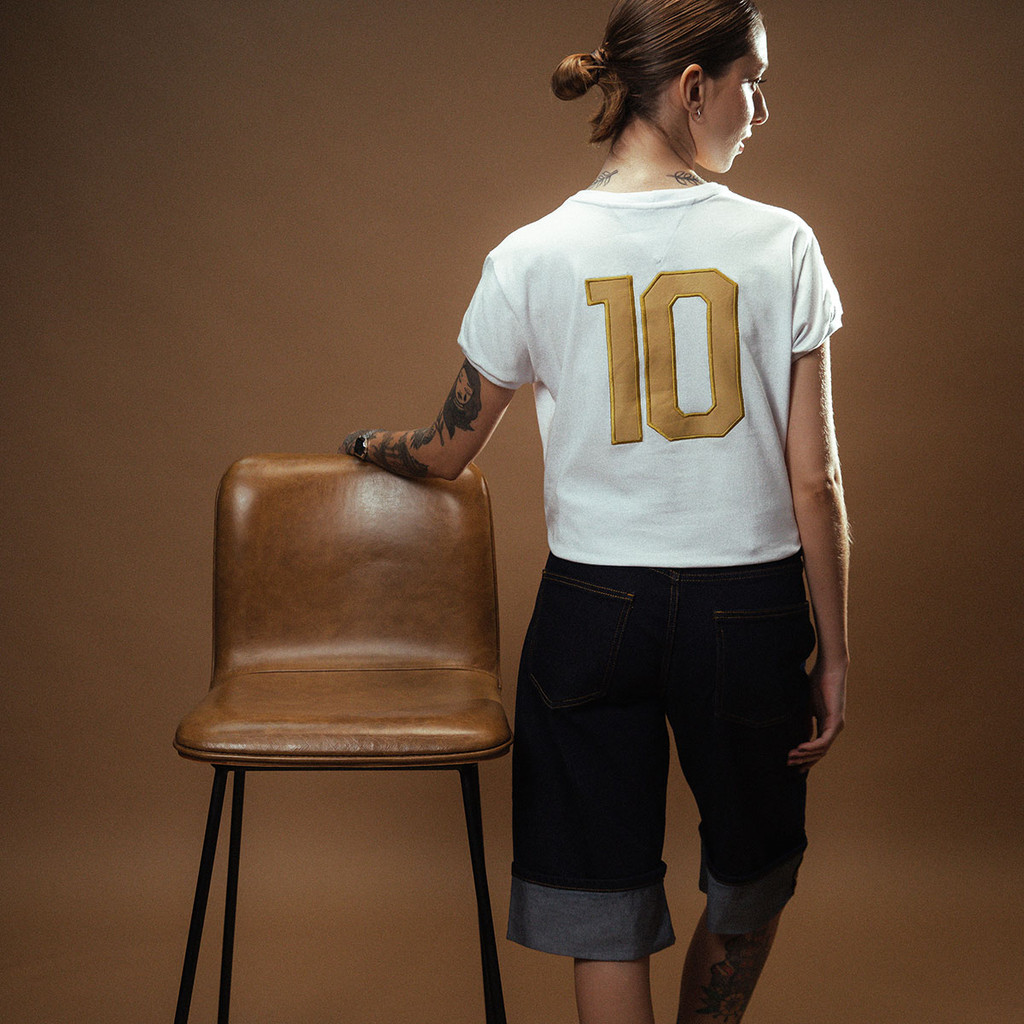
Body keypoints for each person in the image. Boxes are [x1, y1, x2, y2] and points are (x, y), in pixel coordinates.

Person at [340, 1, 849, 1020]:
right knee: (752, 874)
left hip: (590, 610)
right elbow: (815, 483)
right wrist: (832, 655)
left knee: (601, 900)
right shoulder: (782, 243)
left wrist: (367, 446)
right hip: (748, 613)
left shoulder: (529, 254)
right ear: (693, 88)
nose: (759, 109)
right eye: (751, 83)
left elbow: (447, 446)